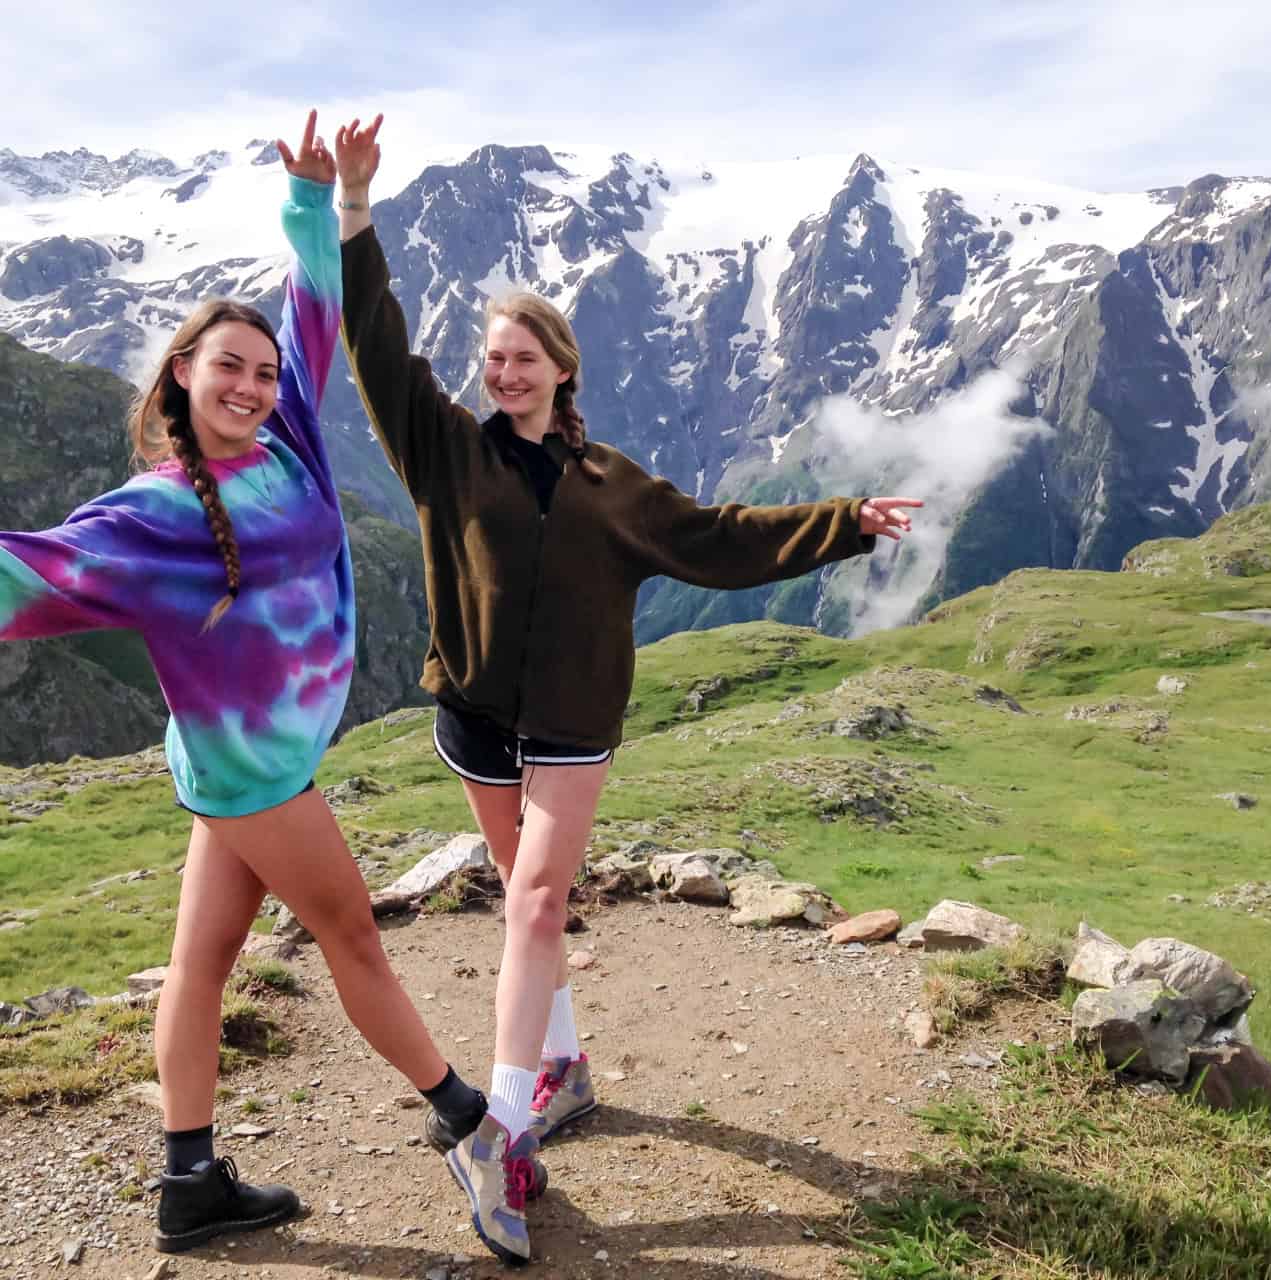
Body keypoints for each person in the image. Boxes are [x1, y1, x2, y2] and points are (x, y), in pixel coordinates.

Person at [334, 114, 922, 1267]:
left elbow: (723, 537)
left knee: (534, 905)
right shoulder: (444, 448)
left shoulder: (615, 487)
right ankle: (559, 1067)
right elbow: (373, 341)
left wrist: (844, 523)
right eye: (493, 356)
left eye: (524, 356)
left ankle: (501, 1135)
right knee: (523, 897)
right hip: (474, 718)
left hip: (570, 727)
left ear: (561, 368)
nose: (503, 371)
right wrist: (354, 211)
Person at [0, 113, 491, 1255]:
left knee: (201, 962)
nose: (254, 385)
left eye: (264, 373)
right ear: (182, 372)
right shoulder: (157, 513)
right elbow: (28, 570)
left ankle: (189, 1184)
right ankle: (464, 1114)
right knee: (353, 935)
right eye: (229, 366)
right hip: (256, 776)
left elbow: (313, 311)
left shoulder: (288, 439)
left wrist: (322, 201)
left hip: (237, 769)